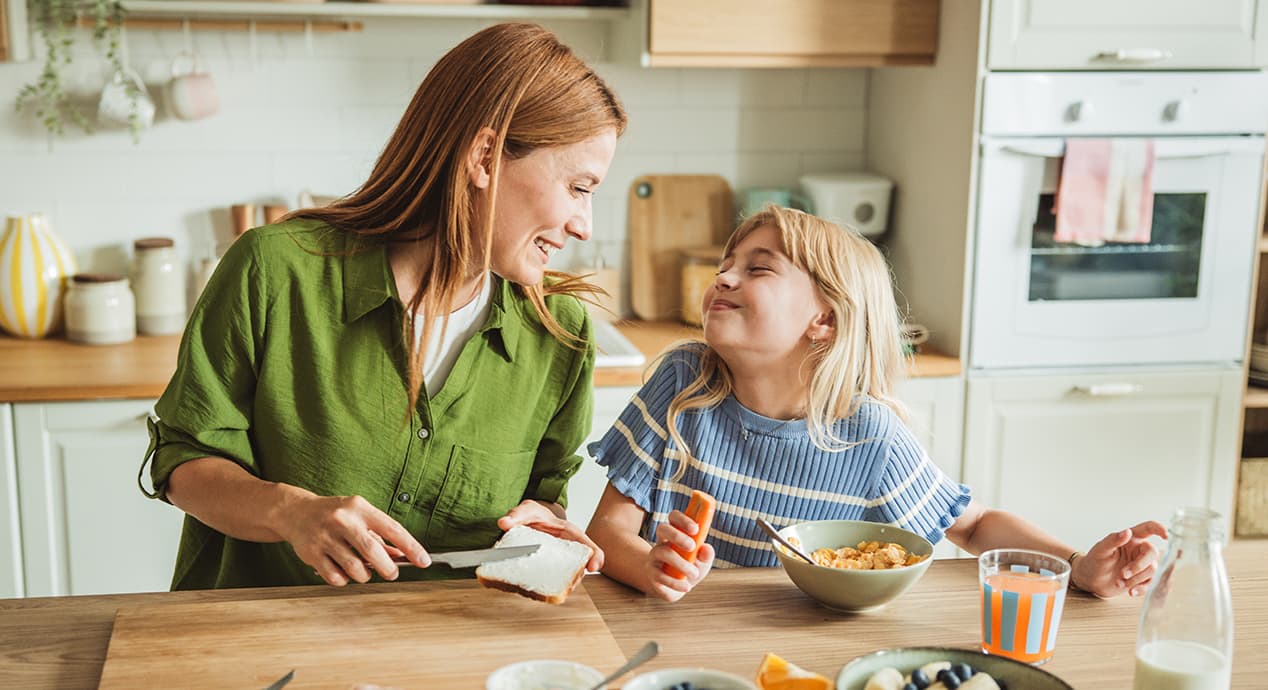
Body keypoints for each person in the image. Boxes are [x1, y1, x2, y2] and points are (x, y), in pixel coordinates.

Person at [139, 23, 626, 590]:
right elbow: (182, 462)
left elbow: (540, 509)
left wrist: (550, 531)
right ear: (486, 157)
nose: (584, 226)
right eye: (579, 187)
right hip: (262, 653)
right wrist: (289, 511)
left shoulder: (560, 338)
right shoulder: (276, 270)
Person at [586, 205, 1167, 602]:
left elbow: (976, 526)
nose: (725, 279)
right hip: (674, 639)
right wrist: (651, 568)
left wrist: (1080, 567)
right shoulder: (682, 385)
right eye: (724, 268)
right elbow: (609, 530)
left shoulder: (867, 437)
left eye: (757, 269)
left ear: (825, 319)